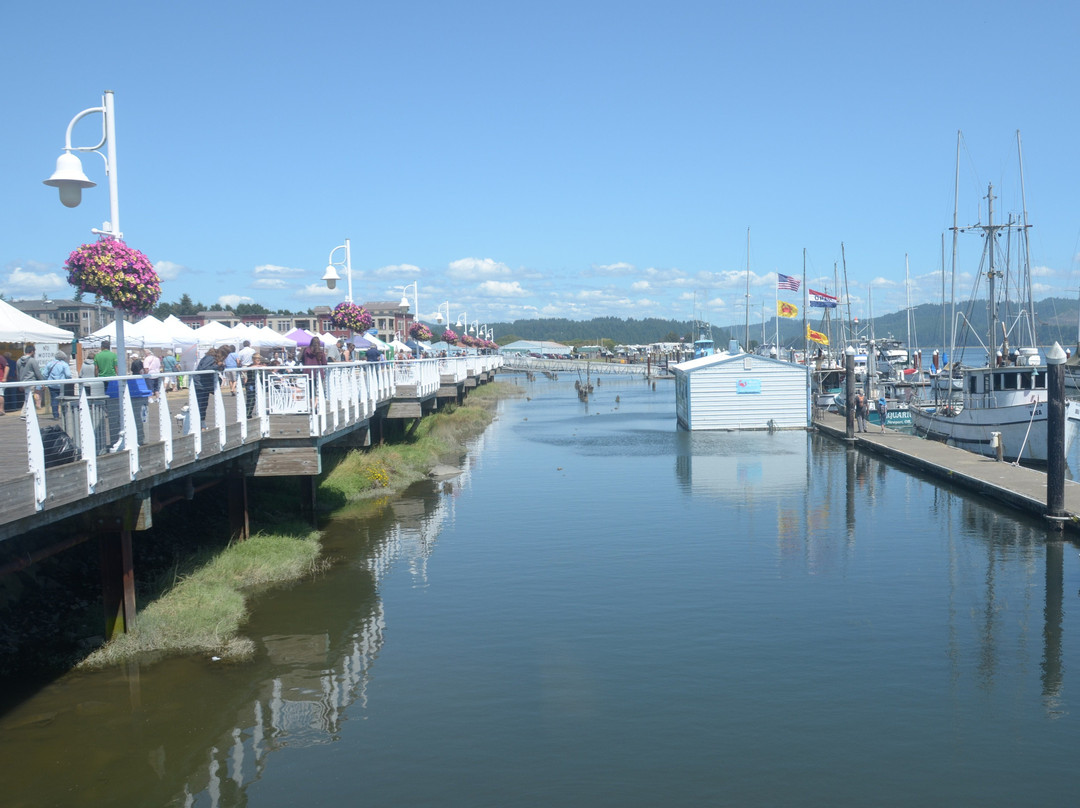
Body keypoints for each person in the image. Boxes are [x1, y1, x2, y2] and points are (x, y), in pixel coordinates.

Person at [194, 347, 223, 425]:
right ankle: (199, 424)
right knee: (201, 405)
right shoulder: (210, 358)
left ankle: (202, 424)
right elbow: (204, 369)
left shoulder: (208, 357)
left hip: (203, 384)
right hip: (201, 384)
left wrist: (221, 366)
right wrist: (218, 366)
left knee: (203, 405)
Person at [44, 350, 73, 420]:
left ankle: (55, 415)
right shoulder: (64, 364)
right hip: (62, 385)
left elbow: (44, 374)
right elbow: (68, 375)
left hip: (51, 384)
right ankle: (64, 414)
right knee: (63, 399)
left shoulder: (49, 363)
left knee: (54, 399)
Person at [16, 344, 44, 410]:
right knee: (29, 398)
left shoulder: (18, 361)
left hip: (22, 382)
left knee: (28, 398)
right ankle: (24, 414)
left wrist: (19, 383)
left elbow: (18, 373)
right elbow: (37, 372)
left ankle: (30, 414)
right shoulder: (32, 360)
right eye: (34, 352)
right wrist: (42, 382)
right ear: (32, 351)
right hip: (31, 382)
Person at [0, 351, 7, 415]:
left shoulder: (1, 358)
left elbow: (7, 367)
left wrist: (4, 377)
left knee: (0, 395)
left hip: (0, 380)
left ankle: (1, 410)